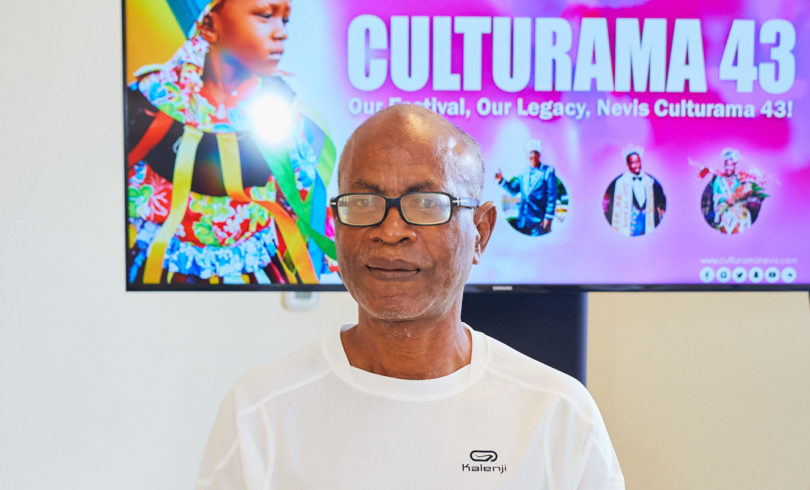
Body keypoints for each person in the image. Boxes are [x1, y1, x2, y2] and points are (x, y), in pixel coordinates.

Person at [195, 105, 624, 489]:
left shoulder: (557, 414)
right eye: (364, 202)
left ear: (481, 232)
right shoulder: (261, 413)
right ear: (336, 226)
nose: (391, 230)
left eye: (426, 203)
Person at [126, 0, 336, 286]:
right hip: (163, 274)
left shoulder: (280, 106)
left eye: (285, 20)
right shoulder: (153, 104)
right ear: (209, 25)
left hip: (255, 275)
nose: (281, 33)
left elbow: (303, 198)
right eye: (265, 15)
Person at [495, 140, 558, 235]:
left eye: (535, 153)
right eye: (531, 153)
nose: (533, 156)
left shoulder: (548, 171)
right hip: (522, 220)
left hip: (539, 220)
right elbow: (513, 190)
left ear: (539, 155)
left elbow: (551, 197)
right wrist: (501, 180)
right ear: (528, 156)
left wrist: (548, 217)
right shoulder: (523, 173)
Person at [603, 147, 666, 236]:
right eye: (633, 163)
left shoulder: (650, 181)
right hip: (629, 226)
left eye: (638, 162)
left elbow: (660, 201)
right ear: (627, 165)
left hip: (648, 225)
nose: (636, 165)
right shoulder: (619, 183)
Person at [709, 149, 756, 234]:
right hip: (722, 209)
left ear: (734, 167)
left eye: (731, 166)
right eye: (727, 165)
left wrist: (736, 200)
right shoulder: (718, 180)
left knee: (745, 216)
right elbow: (715, 197)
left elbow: (742, 196)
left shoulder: (739, 180)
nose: (728, 168)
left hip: (737, 209)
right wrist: (724, 200)